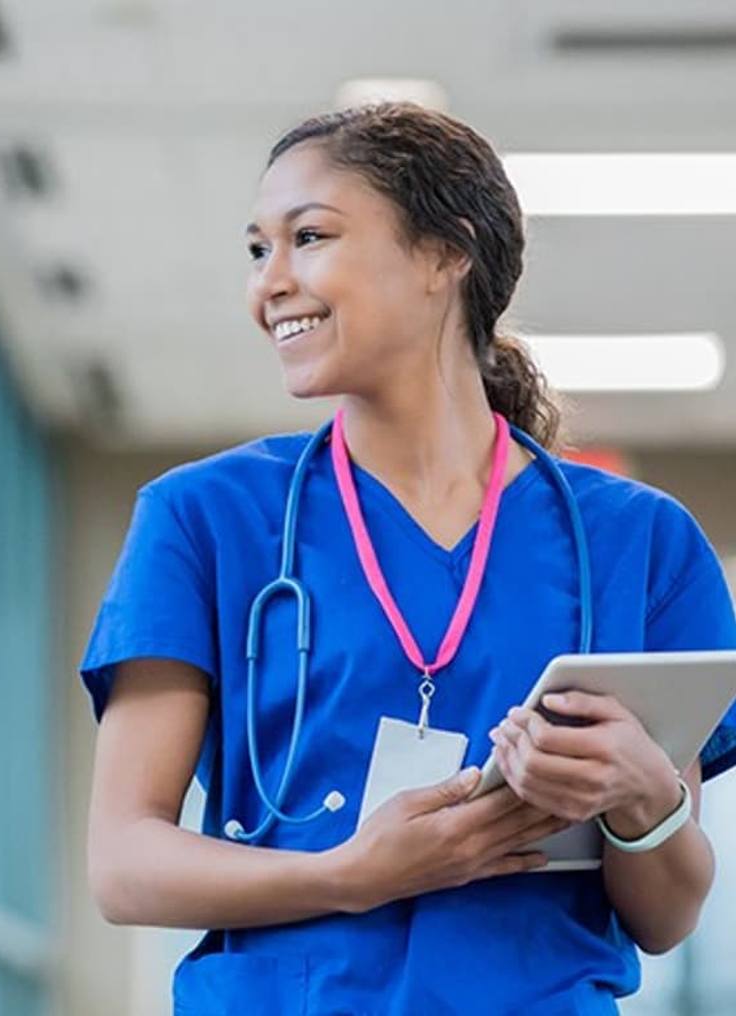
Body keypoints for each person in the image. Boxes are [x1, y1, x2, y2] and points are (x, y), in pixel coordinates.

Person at [79, 102, 736, 1014]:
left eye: (309, 237)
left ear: (445, 254)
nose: (271, 282)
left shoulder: (641, 545)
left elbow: (667, 914)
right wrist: (352, 876)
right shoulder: (205, 520)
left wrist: (639, 799)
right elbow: (123, 865)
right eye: (258, 250)